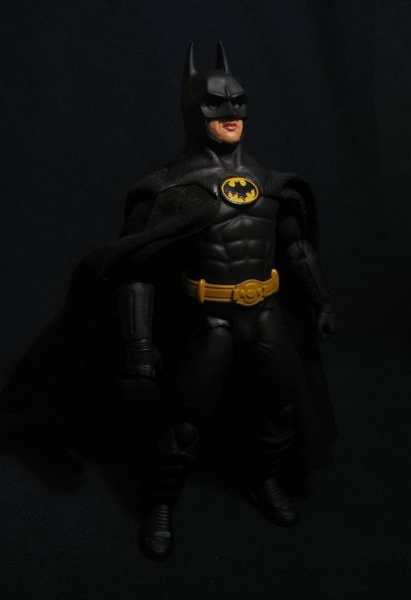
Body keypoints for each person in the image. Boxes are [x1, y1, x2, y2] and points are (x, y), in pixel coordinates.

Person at [115, 42, 337, 560]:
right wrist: (139, 344)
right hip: (208, 319)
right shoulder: (171, 189)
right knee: (184, 422)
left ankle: (263, 479)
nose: (230, 112)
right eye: (215, 103)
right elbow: (136, 268)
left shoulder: (269, 183)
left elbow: (296, 248)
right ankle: (161, 503)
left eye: (238, 101)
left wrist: (321, 301)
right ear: (192, 111)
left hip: (265, 314)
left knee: (279, 408)